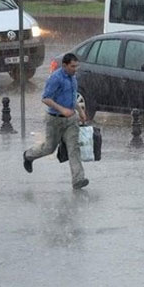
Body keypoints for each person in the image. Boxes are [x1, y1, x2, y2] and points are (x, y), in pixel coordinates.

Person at [23, 53, 89, 190]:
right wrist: (62, 110)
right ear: (64, 65)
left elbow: (72, 97)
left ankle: (78, 179)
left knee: (74, 149)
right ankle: (28, 155)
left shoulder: (73, 78)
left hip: (71, 121)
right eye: (72, 66)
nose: (75, 69)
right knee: (49, 148)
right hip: (54, 120)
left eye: (76, 66)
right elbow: (46, 98)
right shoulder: (56, 78)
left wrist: (81, 111)